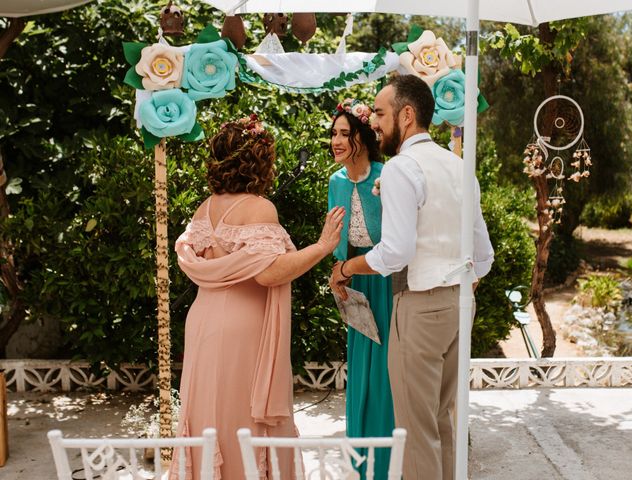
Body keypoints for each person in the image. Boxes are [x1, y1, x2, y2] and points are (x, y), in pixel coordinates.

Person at [329, 75, 494, 480]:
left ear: (407, 114)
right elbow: (484, 256)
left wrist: (348, 267)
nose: (377, 124)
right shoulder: (459, 167)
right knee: (442, 420)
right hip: (460, 305)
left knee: (415, 430)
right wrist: (458, 284)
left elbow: (395, 252)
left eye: (382, 114)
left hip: (419, 307)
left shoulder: (404, 167)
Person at [170, 114, 345, 480]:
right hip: (242, 329)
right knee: (242, 418)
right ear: (259, 161)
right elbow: (268, 272)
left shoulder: (205, 207)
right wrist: (323, 246)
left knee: (209, 416)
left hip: (202, 322)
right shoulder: (259, 207)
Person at [327, 99, 395, 478]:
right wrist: (338, 275)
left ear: (363, 139)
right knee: (362, 370)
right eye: (333, 134)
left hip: (389, 281)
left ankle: (389, 461)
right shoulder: (334, 182)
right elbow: (336, 242)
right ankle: (361, 462)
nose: (336, 141)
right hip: (355, 285)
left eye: (344, 134)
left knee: (387, 371)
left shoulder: (386, 176)